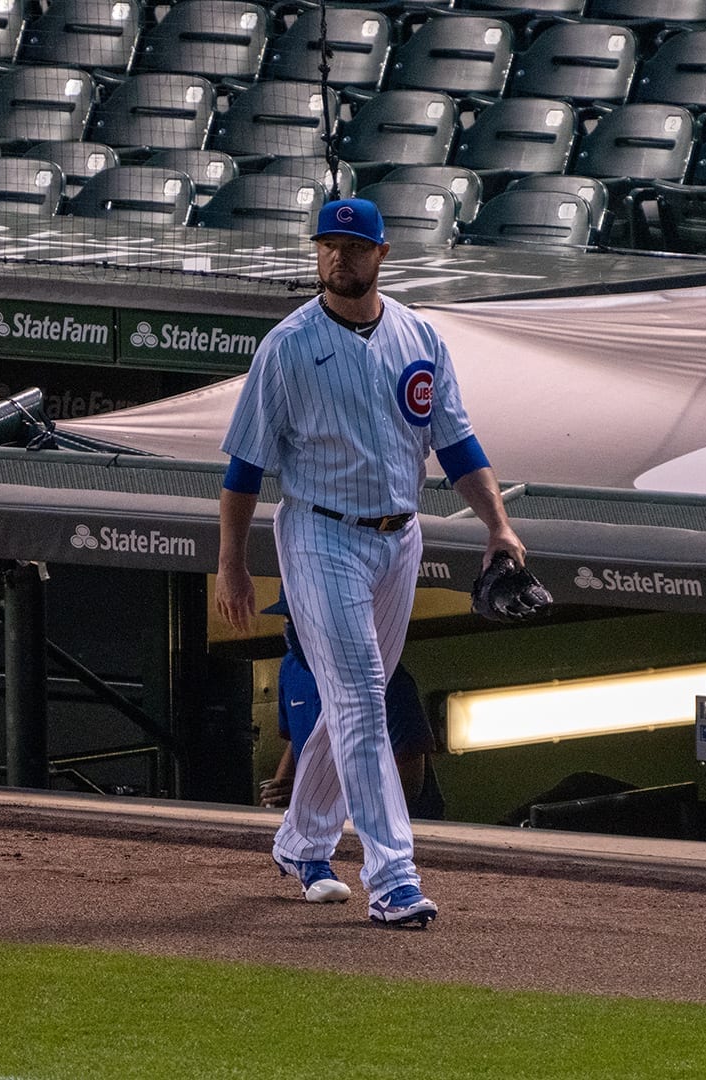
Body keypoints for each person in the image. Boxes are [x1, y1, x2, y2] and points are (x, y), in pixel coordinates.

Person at [215, 197, 525, 928]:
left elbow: (456, 445)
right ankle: (393, 877)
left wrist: (499, 525)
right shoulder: (287, 347)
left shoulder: (418, 337)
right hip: (321, 534)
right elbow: (243, 469)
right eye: (327, 245)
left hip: (400, 537)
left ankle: (301, 840)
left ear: (380, 254)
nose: (338, 258)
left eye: (353, 247)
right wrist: (231, 563)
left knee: (359, 694)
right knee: (360, 699)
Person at [259, 595, 444, 822]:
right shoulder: (291, 668)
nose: (292, 628)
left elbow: (409, 785)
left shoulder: (385, 678)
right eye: (289, 619)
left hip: (394, 833)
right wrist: (277, 802)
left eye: (301, 618)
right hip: (323, 826)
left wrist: (324, 805)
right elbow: (297, 742)